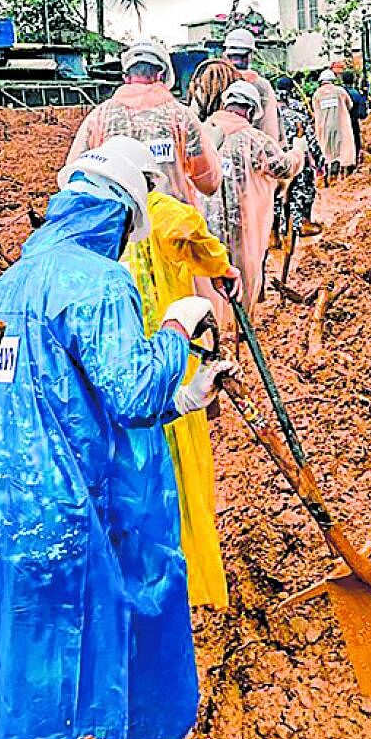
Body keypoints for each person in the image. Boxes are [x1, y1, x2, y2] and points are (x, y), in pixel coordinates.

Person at [0, 137, 231, 739]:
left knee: (29, 662)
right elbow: (130, 393)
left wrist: (184, 398)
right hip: (70, 517)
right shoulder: (100, 281)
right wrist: (173, 328)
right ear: (121, 219)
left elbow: (69, 396)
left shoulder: (12, 281)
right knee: (96, 659)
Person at [123, 155, 242, 611]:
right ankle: (191, 576)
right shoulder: (166, 211)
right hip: (171, 346)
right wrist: (221, 268)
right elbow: (201, 244)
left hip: (126, 359)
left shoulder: (104, 225)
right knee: (183, 462)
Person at [67, 39, 221, 208]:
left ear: (126, 77)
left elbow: (75, 174)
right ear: (161, 75)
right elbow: (208, 183)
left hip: (121, 224)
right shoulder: (183, 117)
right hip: (172, 225)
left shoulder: (99, 118)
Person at [203, 82, 303, 324]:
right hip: (241, 226)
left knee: (208, 281)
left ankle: (213, 330)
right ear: (250, 111)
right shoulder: (254, 139)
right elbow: (283, 167)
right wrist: (298, 151)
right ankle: (240, 331)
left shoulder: (200, 132)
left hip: (203, 224)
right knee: (242, 278)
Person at [275, 80, 325, 238]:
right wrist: (320, 160)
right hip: (297, 160)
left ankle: (277, 229)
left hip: (275, 162)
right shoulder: (297, 113)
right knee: (303, 190)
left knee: (276, 195)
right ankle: (299, 223)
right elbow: (311, 142)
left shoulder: (266, 116)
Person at [221, 27, 283, 143]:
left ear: (226, 55)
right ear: (250, 55)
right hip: (253, 151)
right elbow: (270, 129)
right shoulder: (261, 85)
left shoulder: (214, 81)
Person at [312, 68, 357, 181]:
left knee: (328, 149)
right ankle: (344, 173)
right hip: (341, 125)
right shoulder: (340, 91)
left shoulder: (317, 94)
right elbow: (349, 105)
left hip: (324, 127)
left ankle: (330, 171)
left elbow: (315, 111)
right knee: (344, 147)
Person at [341, 68, 369, 166]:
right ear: (353, 80)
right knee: (355, 144)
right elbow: (363, 114)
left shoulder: (338, 93)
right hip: (353, 123)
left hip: (340, 125)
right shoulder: (357, 94)